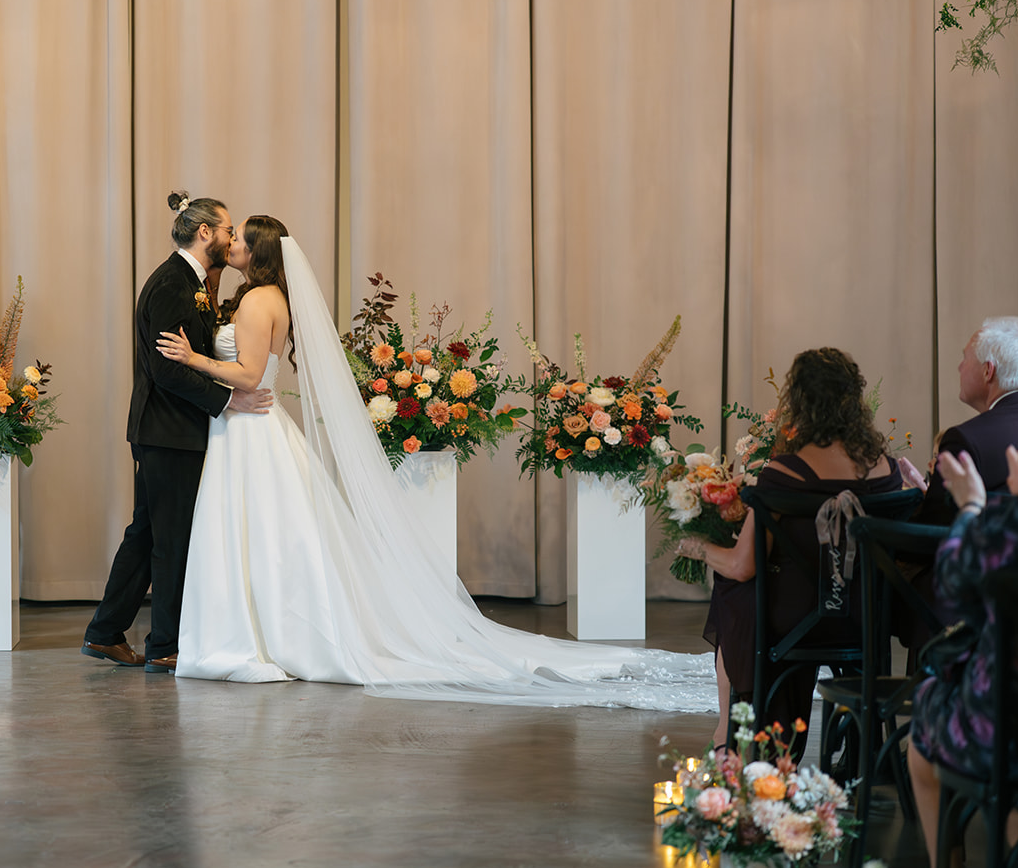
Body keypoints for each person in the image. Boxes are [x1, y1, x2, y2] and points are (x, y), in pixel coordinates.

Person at [154, 220, 714, 708]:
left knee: (255, 535)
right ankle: (267, 629)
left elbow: (251, 377)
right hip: (254, 427)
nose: (230, 244)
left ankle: (255, 635)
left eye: (239, 238)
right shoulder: (272, 299)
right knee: (275, 537)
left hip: (249, 426)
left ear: (257, 250)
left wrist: (194, 357)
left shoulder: (255, 301)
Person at [81, 193, 273, 673]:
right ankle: (165, 644)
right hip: (168, 430)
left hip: (168, 429)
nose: (232, 239)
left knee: (147, 533)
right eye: (228, 229)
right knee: (171, 539)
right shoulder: (172, 283)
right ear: (204, 231)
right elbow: (168, 371)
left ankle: (105, 632)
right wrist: (230, 401)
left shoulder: (192, 281)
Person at [675, 348, 903, 751]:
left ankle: (732, 730)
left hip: (800, 622)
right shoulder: (886, 468)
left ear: (799, 402)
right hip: (866, 617)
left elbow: (742, 566)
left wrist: (699, 548)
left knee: (733, 589)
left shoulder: (783, 472)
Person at [909, 436, 1018, 868]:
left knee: (927, 704)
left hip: (1010, 725)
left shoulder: (1013, 523)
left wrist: (971, 505)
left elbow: (950, 586)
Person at [911, 316, 1018, 524]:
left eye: (965, 358)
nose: (959, 367)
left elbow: (931, 535)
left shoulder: (965, 440)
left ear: (987, 371)